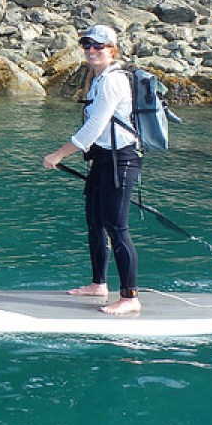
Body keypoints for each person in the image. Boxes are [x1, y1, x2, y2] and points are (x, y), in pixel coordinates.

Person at [42, 24, 142, 315]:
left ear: (112, 49)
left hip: (121, 160)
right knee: (95, 222)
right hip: (101, 158)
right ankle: (99, 284)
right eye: (87, 45)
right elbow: (94, 132)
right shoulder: (98, 78)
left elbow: (94, 127)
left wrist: (58, 155)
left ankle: (130, 297)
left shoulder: (113, 81)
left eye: (98, 46)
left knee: (117, 228)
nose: (91, 51)